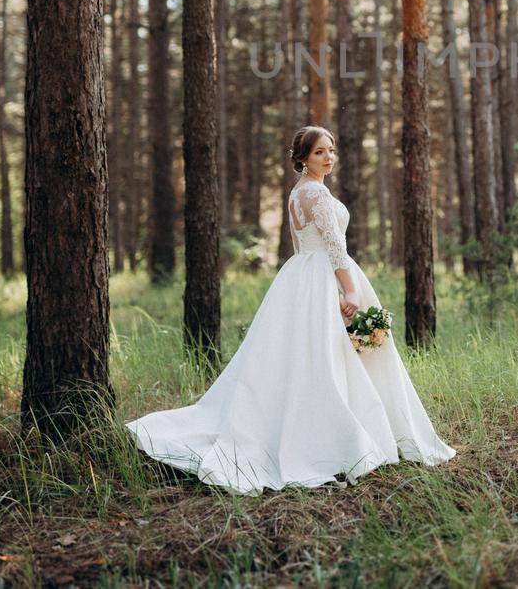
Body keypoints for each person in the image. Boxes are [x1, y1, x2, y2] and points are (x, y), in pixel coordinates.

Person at [125, 125, 456, 493]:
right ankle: (337, 437)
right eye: (319, 153)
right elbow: (335, 248)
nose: (328, 157)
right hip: (324, 278)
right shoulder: (315, 194)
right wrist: (349, 292)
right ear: (302, 159)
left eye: (330, 150)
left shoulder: (299, 193)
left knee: (307, 358)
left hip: (299, 277)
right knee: (328, 356)